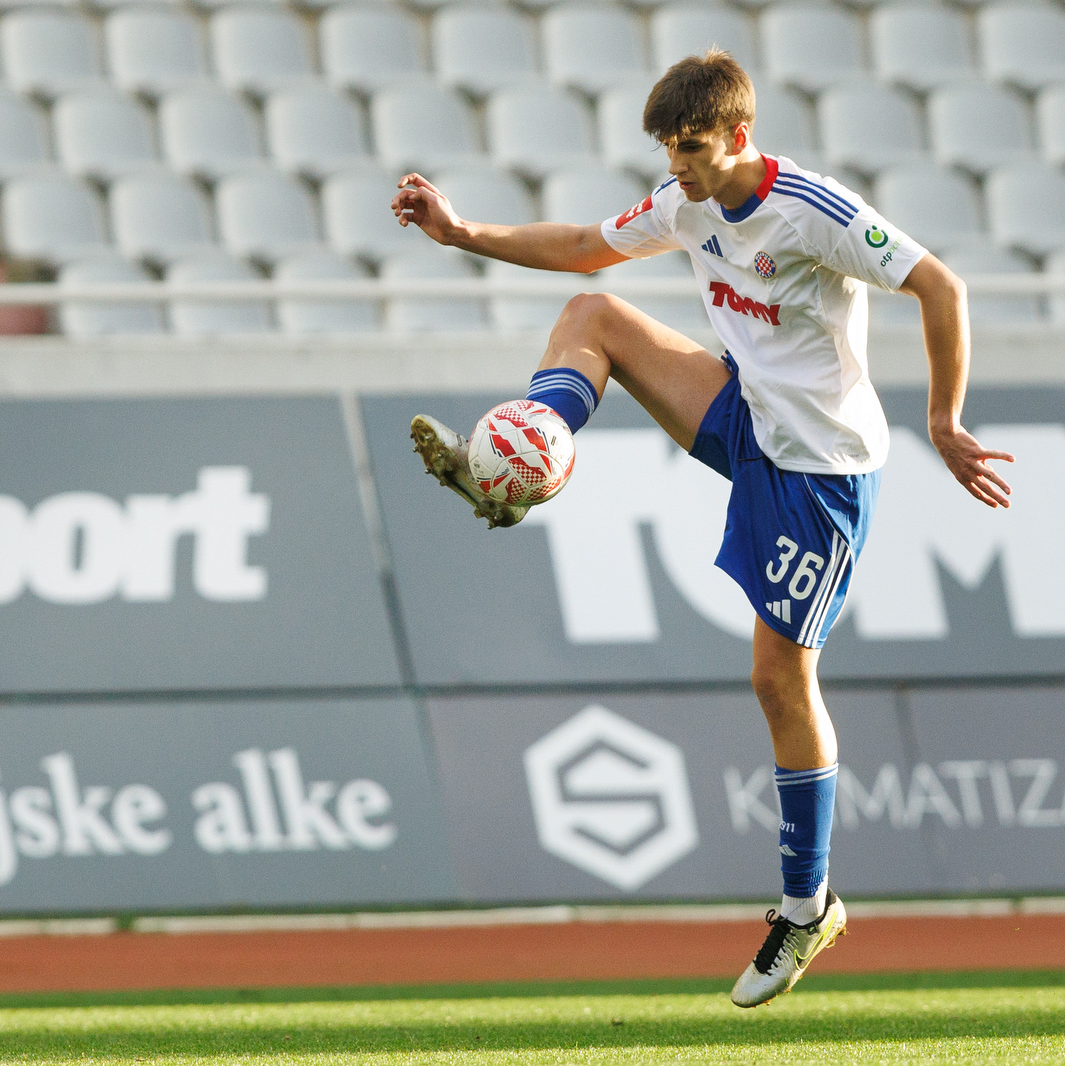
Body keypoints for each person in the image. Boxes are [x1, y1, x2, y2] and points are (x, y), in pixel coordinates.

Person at [391, 50, 1014, 1008]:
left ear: (737, 136)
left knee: (777, 678)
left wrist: (945, 420)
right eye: (667, 149)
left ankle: (808, 909)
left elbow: (942, 287)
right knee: (594, 310)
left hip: (821, 472)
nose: (676, 165)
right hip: (744, 414)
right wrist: (461, 231)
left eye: (690, 146)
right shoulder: (685, 201)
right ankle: (526, 457)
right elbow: (586, 249)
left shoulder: (815, 210)